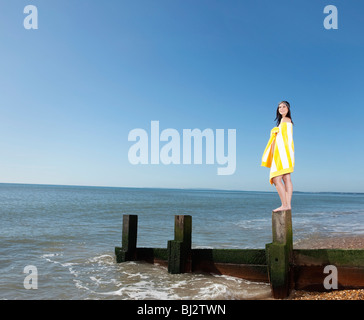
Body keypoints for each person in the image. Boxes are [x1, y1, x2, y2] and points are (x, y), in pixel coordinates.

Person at [261, 101, 295, 212]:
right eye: (279, 107)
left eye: (284, 106)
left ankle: (285, 204)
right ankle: (287, 205)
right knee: (286, 178)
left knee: (276, 178)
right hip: (287, 151)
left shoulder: (285, 120)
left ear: (288, 108)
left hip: (282, 152)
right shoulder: (285, 121)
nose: (281, 108)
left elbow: (284, 139)